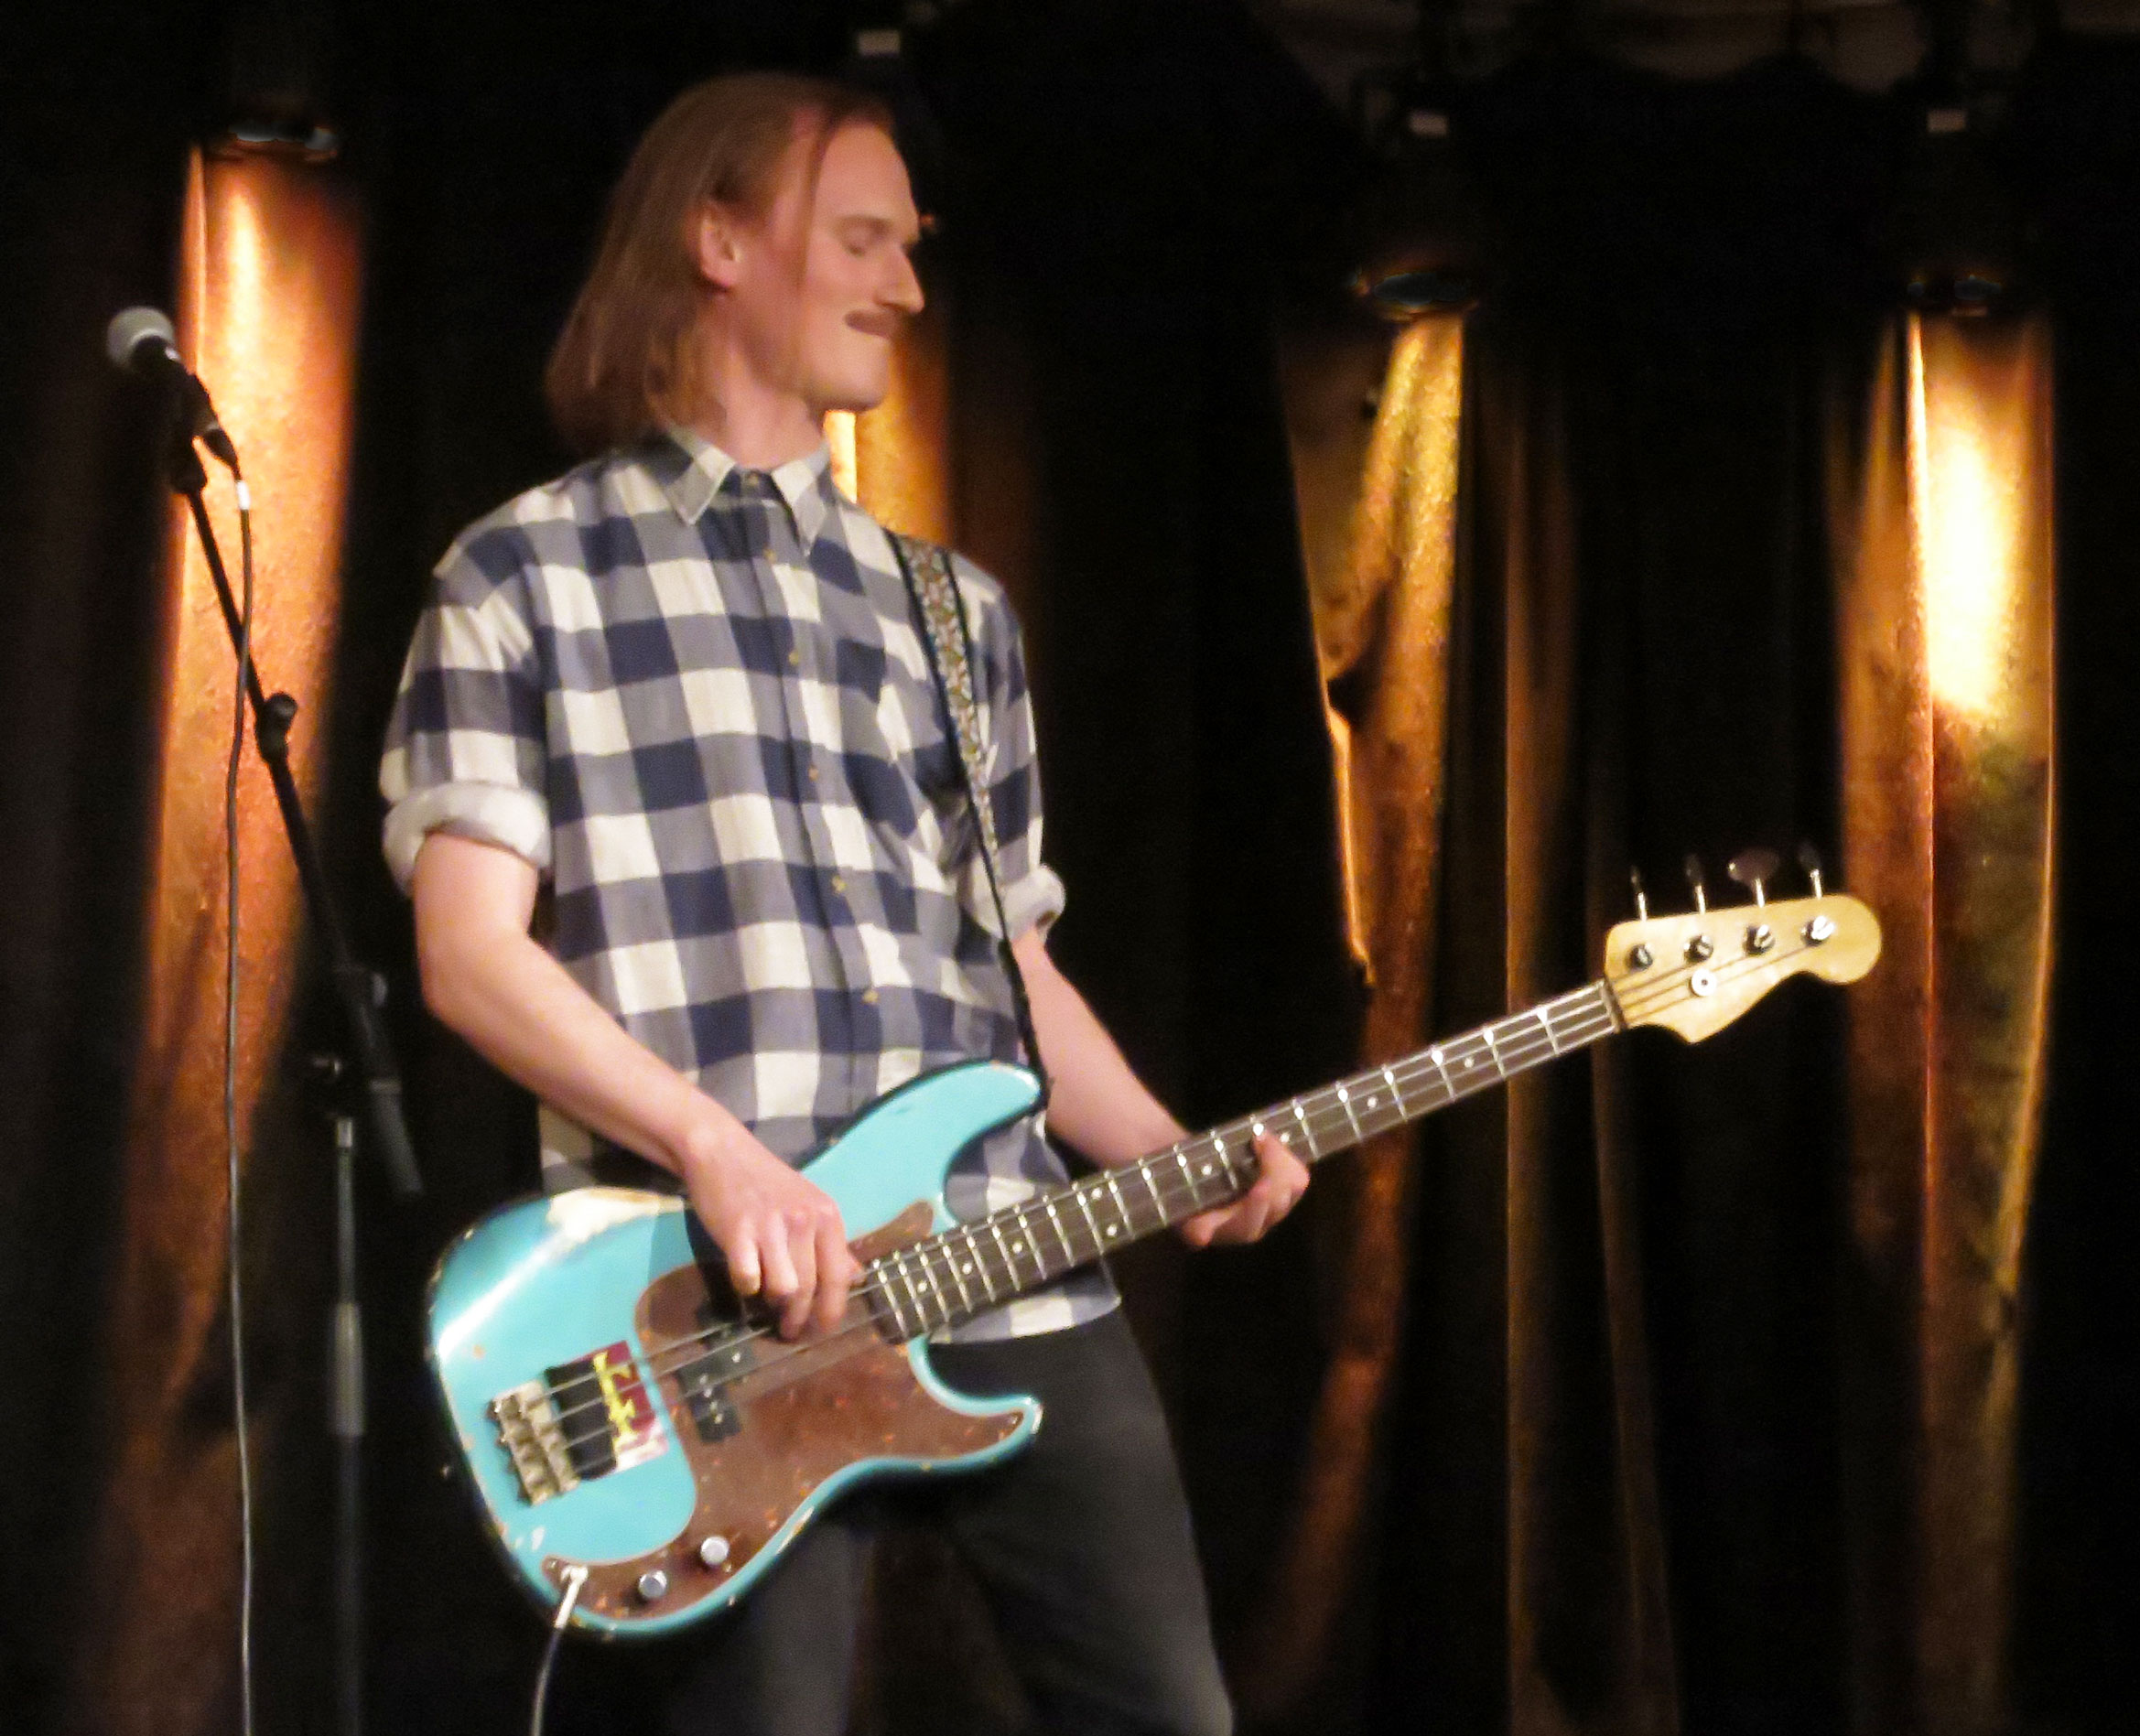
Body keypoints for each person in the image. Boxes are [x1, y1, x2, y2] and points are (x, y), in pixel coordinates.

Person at [380, 71, 1309, 1736]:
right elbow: (467, 954)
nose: (909, 286)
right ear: (719, 240)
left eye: (913, 245)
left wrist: (1172, 1154)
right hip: (723, 1315)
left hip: (1008, 1262)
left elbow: (1014, 971)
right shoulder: (522, 577)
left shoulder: (951, 610)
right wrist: (716, 1150)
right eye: (867, 239)